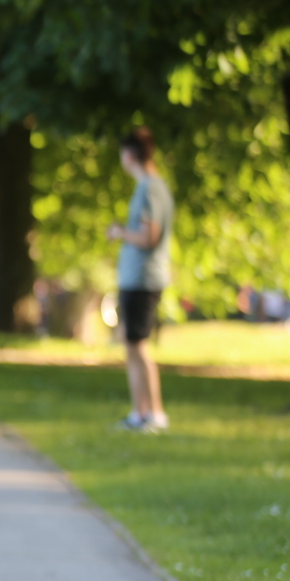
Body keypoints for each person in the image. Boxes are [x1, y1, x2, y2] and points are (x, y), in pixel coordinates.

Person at [108, 126, 173, 432]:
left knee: (139, 345)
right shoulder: (147, 188)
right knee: (132, 343)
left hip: (143, 279)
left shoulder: (150, 188)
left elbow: (150, 236)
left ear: (130, 155)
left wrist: (121, 233)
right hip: (135, 278)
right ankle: (140, 412)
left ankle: (155, 414)